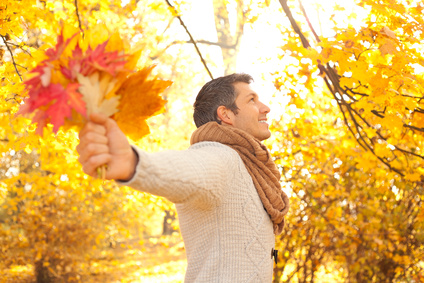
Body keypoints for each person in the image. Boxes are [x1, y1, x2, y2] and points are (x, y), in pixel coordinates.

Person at [77, 73, 290, 282]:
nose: (265, 108)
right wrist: (134, 163)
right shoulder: (221, 156)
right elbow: (188, 170)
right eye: (252, 100)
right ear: (226, 115)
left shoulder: (249, 166)